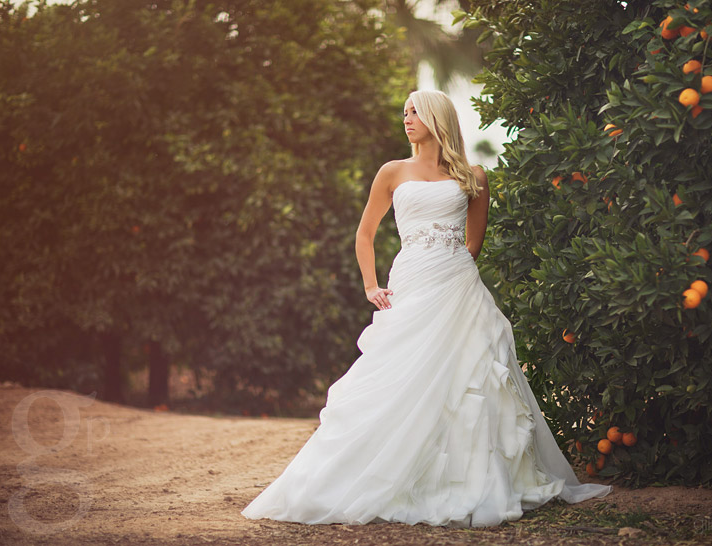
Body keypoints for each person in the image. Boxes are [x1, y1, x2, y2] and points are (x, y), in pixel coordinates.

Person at [240, 90, 612, 527]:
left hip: (457, 287)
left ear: (438, 117)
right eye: (405, 112)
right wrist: (370, 285)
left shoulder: (473, 176)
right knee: (399, 373)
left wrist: (449, 272)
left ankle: (464, 479)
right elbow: (364, 235)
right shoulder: (392, 172)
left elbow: (474, 244)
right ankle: (383, 473)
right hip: (411, 282)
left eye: (415, 111)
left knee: (469, 376)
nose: (407, 118)